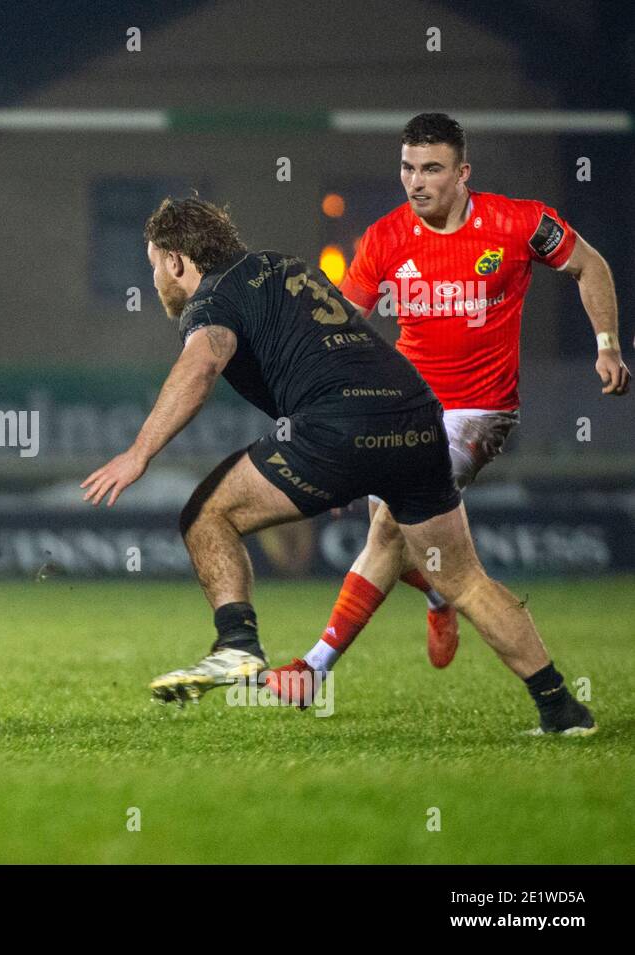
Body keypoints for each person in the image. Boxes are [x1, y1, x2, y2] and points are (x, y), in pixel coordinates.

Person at [81, 195, 594, 735]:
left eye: (154, 265)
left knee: (206, 515)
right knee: (464, 580)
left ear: (177, 261)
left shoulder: (209, 301)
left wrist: (138, 453)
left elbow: (202, 364)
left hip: (341, 424)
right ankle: (561, 707)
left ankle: (236, 644)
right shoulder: (280, 265)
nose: (157, 278)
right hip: (417, 416)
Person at [268, 113, 627, 691]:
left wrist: (606, 346)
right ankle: (439, 594)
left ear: (462, 173)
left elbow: (591, 265)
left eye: (431, 168)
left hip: (481, 412)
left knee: (387, 528)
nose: (416, 181)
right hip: (406, 410)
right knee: (402, 534)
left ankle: (314, 667)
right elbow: (341, 329)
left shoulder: (518, 223)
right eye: (408, 168)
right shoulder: (384, 238)